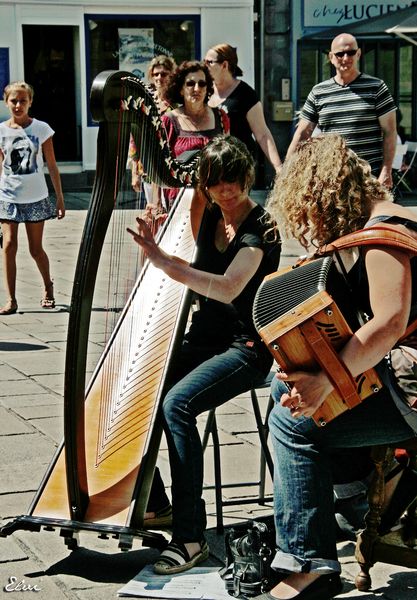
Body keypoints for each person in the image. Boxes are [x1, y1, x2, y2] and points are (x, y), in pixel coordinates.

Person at [253, 134, 417, 600]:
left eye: (307, 211)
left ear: (322, 193)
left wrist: (327, 380)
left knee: (291, 421)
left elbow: (388, 324)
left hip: (414, 385)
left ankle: (309, 561)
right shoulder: (390, 218)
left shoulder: (386, 234)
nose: (309, 226)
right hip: (406, 375)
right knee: (281, 385)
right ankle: (348, 497)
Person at [128, 134, 280, 575]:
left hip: (246, 348)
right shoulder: (210, 211)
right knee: (140, 386)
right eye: (216, 183)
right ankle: (157, 502)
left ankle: (191, 537)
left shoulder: (260, 228)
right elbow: (180, 262)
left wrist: (162, 261)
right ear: (205, 185)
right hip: (204, 340)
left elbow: (229, 286)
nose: (226, 191)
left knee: (177, 405)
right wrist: (155, 248)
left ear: (247, 178)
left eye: (233, 181)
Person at [286, 33, 397, 190]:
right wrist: (286, 172)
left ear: (358, 54)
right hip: (331, 181)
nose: (345, 58)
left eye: (351, 52)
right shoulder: (319, 92)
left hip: (369, 180)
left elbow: (390, 131)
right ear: (331, 57)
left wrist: (386, 170)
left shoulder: (377, 88)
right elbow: (302, 134)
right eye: (340, 54)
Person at [0, 81, 65, 315]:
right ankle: (11, 299)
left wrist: (59, 198)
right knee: (8, 245)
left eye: (23, 101)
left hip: (36, 196)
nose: (18, 105)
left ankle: (48, 287)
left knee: (35, 249)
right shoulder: (1, 130)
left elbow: (52, 166)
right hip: (8, 196)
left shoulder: (41, 129)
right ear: (6, 102)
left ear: (30, 102)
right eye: (13, 101)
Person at [160, 60, 230, 210]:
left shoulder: (221, 117)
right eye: (190, 84)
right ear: (180, 89)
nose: (196, 89)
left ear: (207, 89)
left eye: (202, 84)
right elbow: (159, 165)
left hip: (216, 198)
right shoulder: (168, 121)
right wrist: (155, 204)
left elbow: (229, 157)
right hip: (180, 200)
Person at [204, 43, 282, 174]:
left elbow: (262, 134)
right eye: (204, 61)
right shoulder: (204, 91)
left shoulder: (245, 94)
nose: (204, 66)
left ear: (224, 65)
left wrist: (278, 166)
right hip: (212, 163)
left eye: (209, 62)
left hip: (238, 163)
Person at [129, 55, 177, 195]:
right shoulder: (145, 101)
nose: (159, 77)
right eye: (156, 74)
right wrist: (134, 173)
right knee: (152, 212)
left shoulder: (178, 103)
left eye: (164, 74)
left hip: (172, 171)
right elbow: (135, 139)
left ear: (171, 75)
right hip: (148, 168)